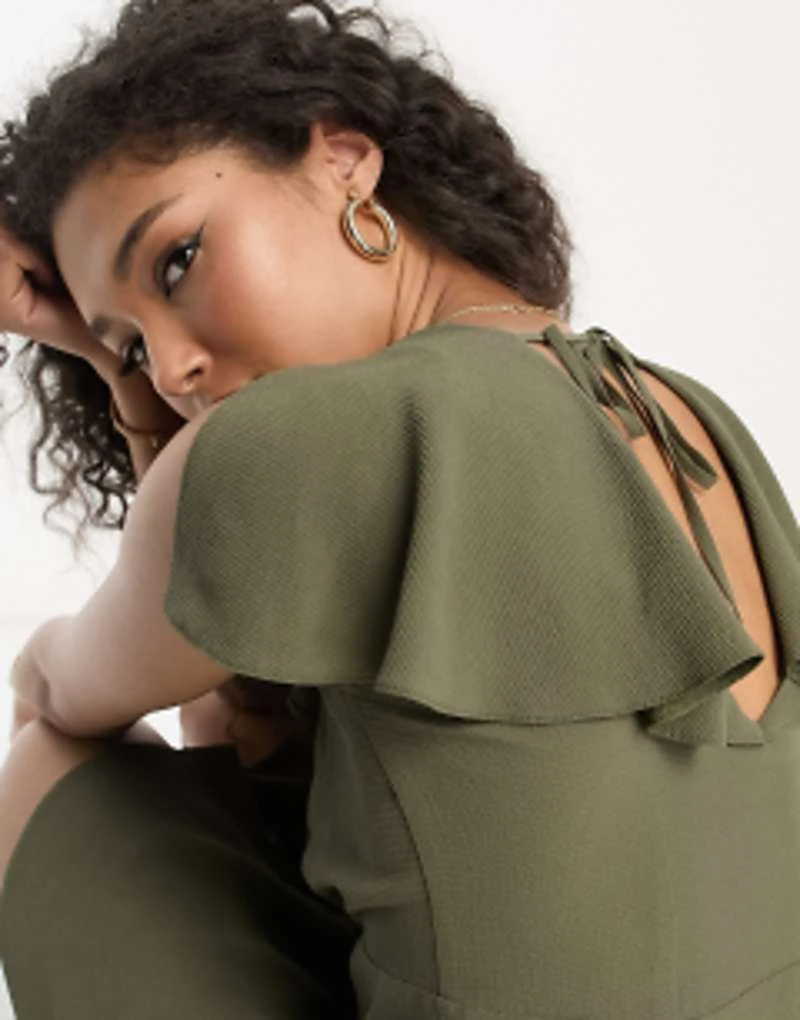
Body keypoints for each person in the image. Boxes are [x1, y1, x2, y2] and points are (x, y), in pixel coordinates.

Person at [0, 0, 799, 1016]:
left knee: (53, 761)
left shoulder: (301, 443)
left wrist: (38, 665)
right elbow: (229, 668)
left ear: (344, 159)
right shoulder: (684, 408)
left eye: (178, 260)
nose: (171, 371)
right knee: (248, 728)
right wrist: (112, 353)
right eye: (132, 348)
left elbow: (67, 690)